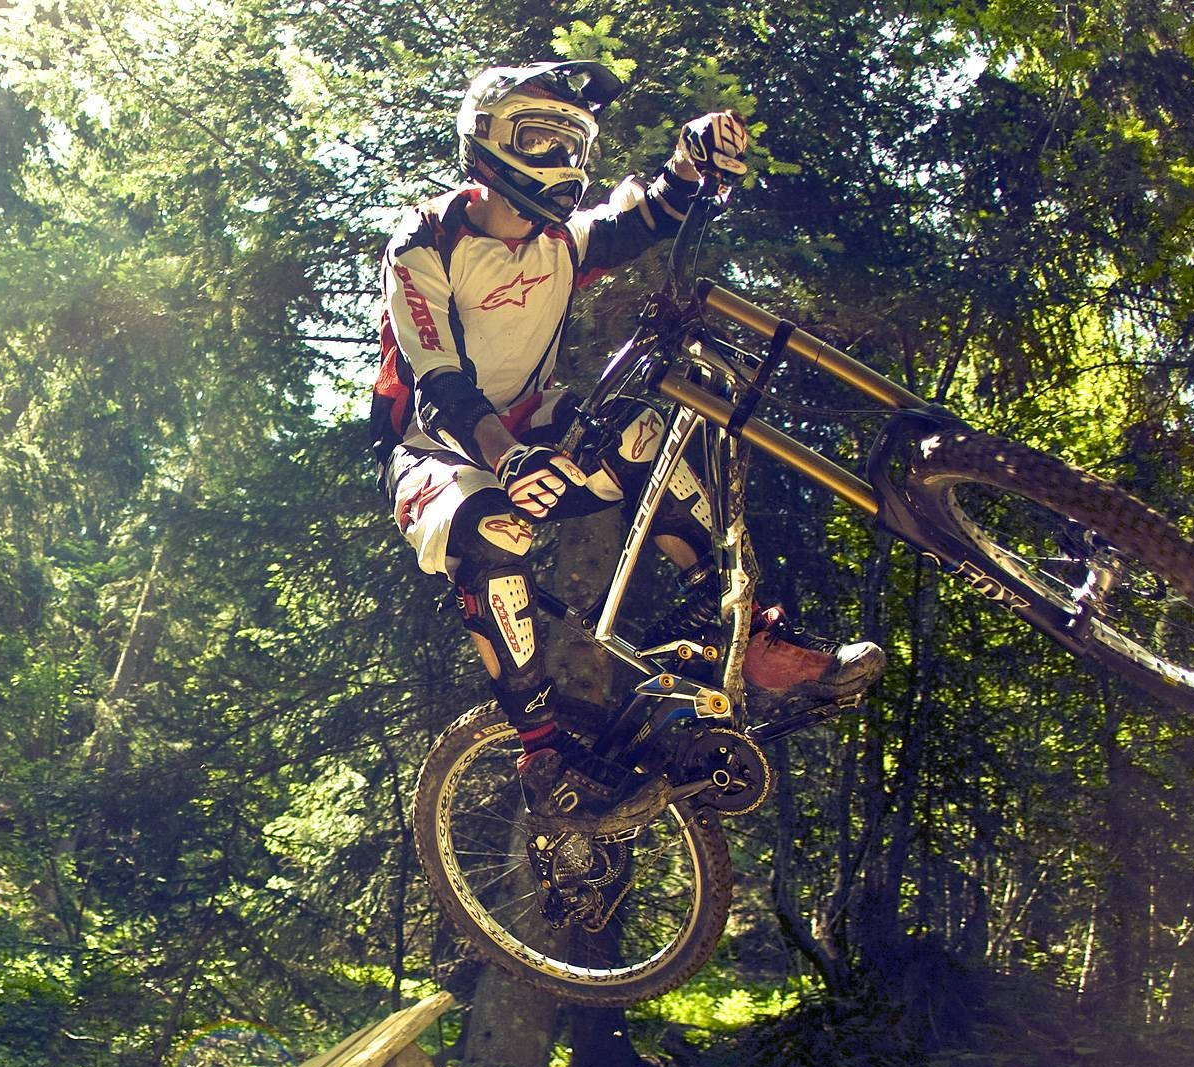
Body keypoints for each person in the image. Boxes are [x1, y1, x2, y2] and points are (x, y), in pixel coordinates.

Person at [372, 61, 884, 813]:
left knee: (646, 434)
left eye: (573, 144)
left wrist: (692, 158)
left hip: (535, 429)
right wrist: (508, 458)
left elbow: (645, 216)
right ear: (485, 139)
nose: (561, 163)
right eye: (540, 140)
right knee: (491, 528)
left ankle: (741, 638)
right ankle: (541, 752)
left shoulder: (561, 243)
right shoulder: (424, 240)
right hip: (433, 451)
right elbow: (438, 385)